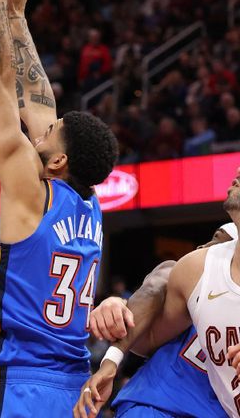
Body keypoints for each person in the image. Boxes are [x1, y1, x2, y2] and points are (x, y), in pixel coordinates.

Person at [0, 0, 119, 416]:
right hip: (74, 383)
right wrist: (17, 14)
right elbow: (38, 98)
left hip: (19, 384)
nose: (41, 125)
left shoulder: (30, 191)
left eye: (49, 133)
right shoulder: (89, 204)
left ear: (57, 160)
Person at [76, 166, 240, 417]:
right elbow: (162, 281)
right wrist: (118, 311)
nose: (208, 248)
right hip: (159, 400)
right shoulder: (200, 272)